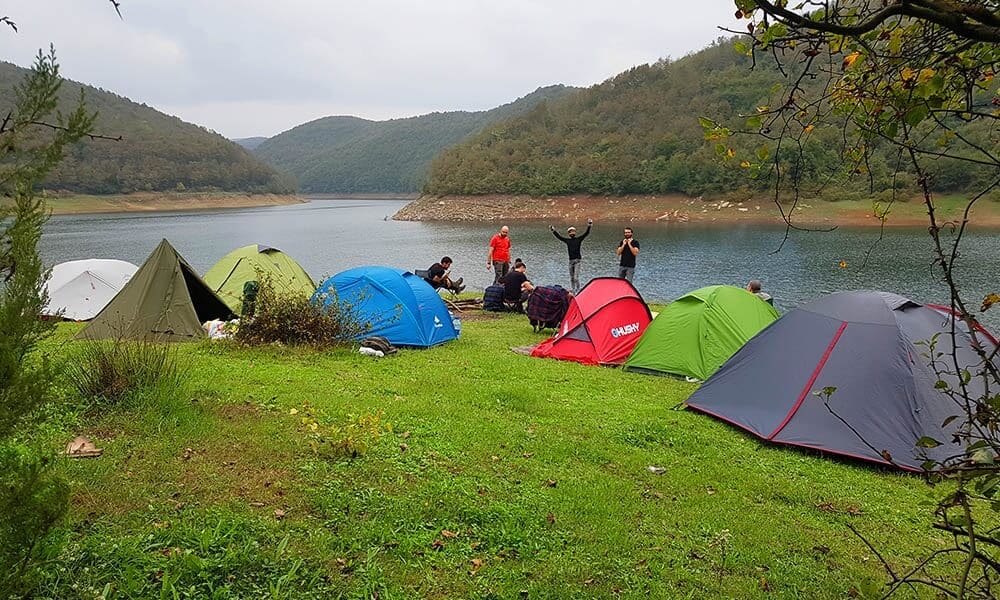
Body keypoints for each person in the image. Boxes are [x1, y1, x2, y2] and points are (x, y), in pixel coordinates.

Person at [550, 218, 592, 293]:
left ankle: (578, 290)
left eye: (573, 231)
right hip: (571, 261)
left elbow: (586, 233)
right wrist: (553, 231)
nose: (571, 233)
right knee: (572, 278)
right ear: (568, 234)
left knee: (576, 278)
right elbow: (559, 237)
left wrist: (589, 225)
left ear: (575, 232)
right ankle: (573, 291)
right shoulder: (567, 241)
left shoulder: (579, 239)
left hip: (577, 261)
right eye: (570, 232)